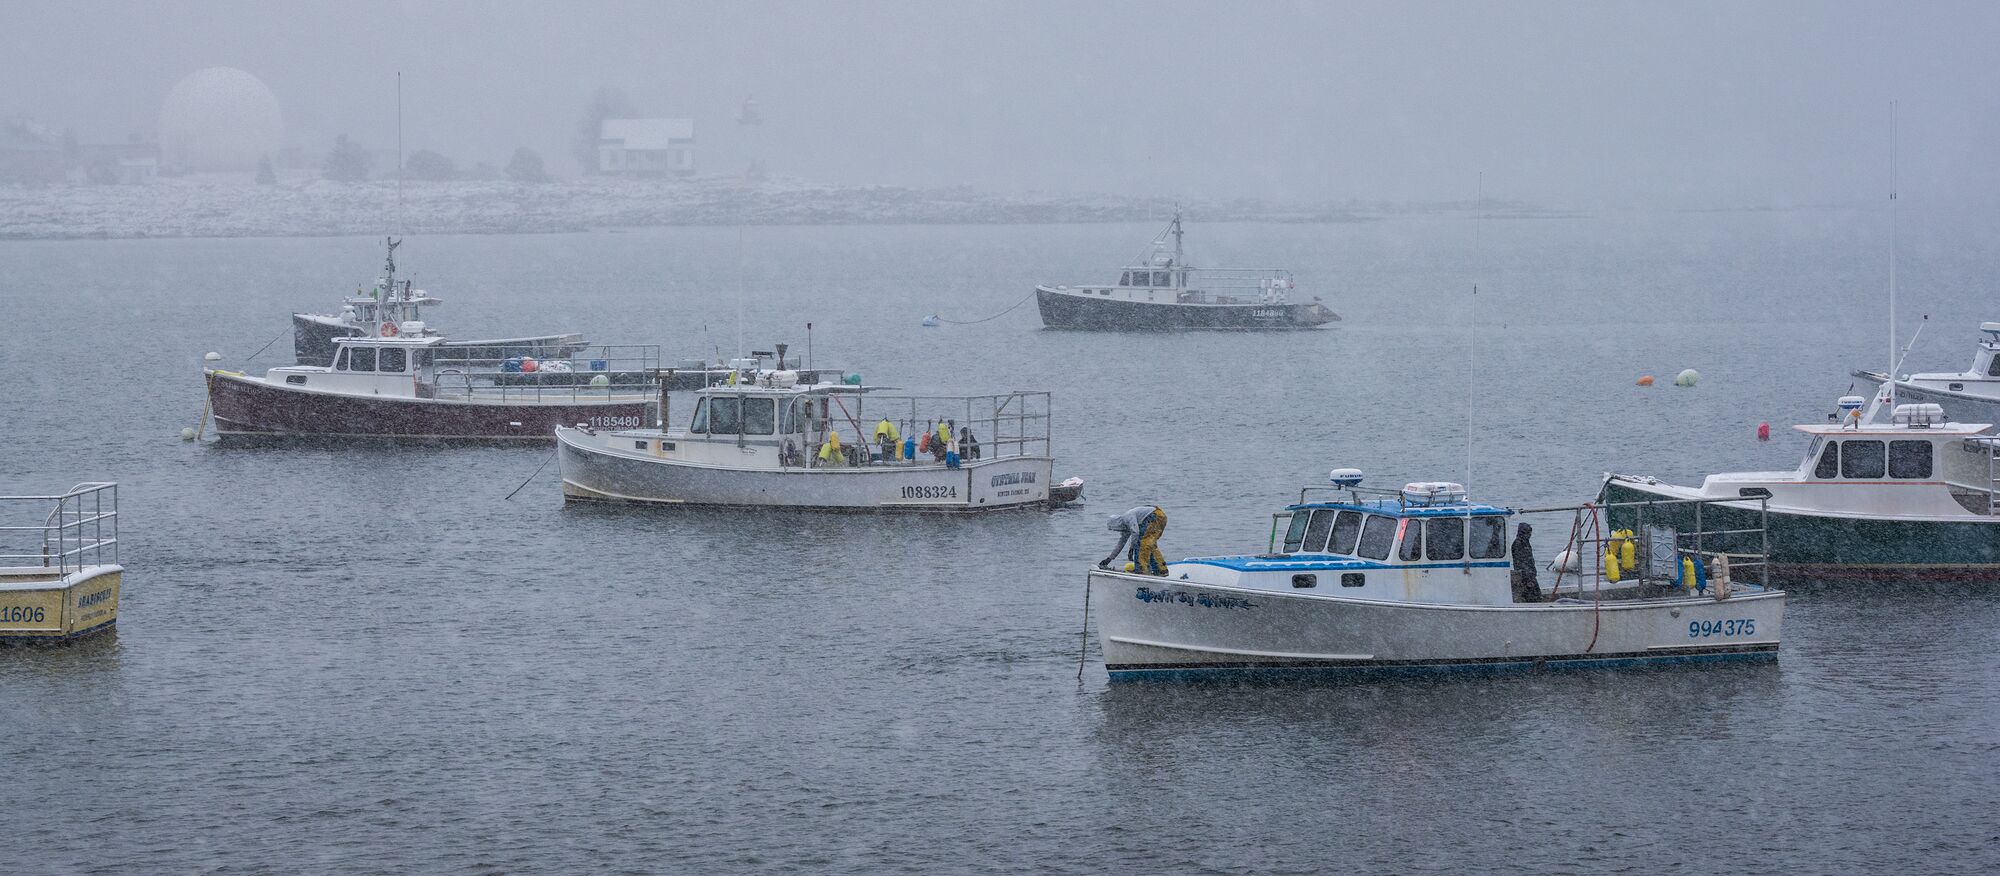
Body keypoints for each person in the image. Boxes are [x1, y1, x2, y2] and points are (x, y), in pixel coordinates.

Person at [1100, 505, 1168, 576]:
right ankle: (1161, 570)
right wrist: (1109, 559)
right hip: (1161, 517)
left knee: (1140, 543)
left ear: (1116, 523)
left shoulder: (1127, 517)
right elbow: (1120, 545)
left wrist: (1131, 549)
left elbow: (1135, 532)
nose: (1116, 530)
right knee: (1149, 545)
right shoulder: (1126, 527)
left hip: (1154, 516)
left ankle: (1141, 571)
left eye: (1114, 528)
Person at [1509, 523, 1542, 602]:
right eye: (1528, 532)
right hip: (1526, 576)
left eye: (1530, 533)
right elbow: (1520, 562)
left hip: (1529, 574)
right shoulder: (1518, 544)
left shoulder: (1525, 542)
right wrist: (1528, 578)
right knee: (1533, 597)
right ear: (1523, 533)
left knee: (1536, 596)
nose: (1530, 535)